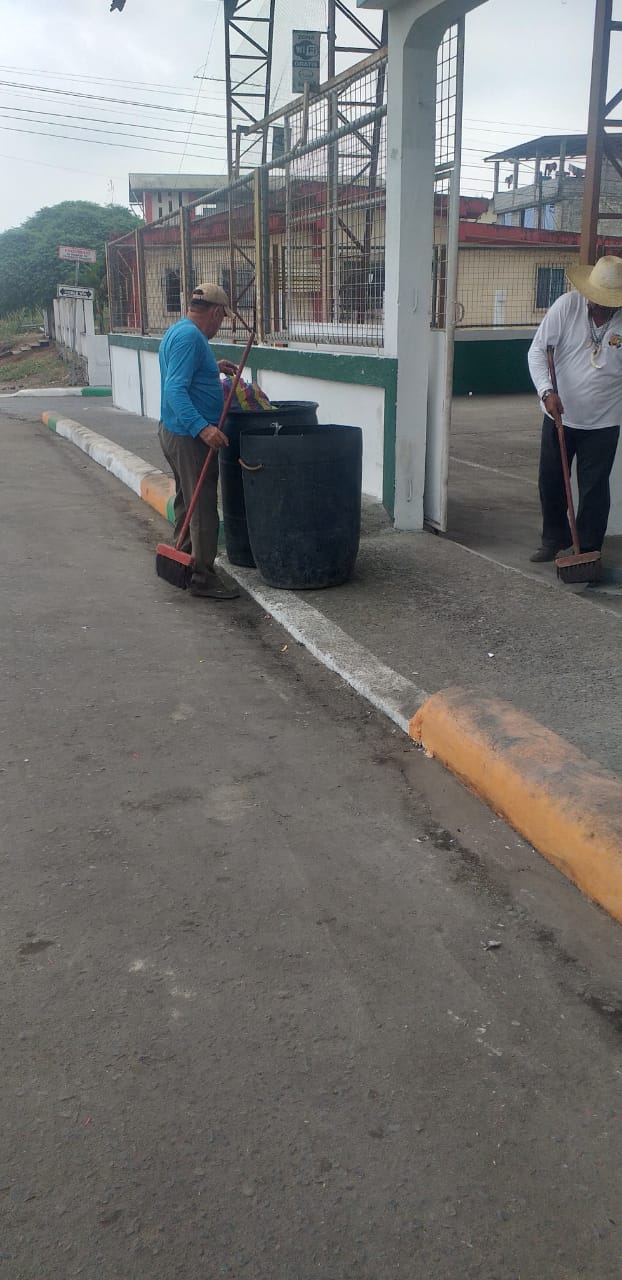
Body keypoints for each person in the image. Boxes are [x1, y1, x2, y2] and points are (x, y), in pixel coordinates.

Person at [527, 255, 622, 562]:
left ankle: (590, 549)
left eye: (608, 301)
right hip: (559, 414)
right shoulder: (567, 306)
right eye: (596, 298)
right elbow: (537, 351)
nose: (600, 305)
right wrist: (546, 392)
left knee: (595, 488)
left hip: (605, 420)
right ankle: (554, 538)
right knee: (552, 480)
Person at [158, 282, 240, 599]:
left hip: (175, 432)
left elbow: (182, 374)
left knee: (187, 500)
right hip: (188, 437)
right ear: (216, 312)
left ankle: (184, 561)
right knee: (203, 506)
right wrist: (203, 428)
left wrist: (211, 368)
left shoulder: (180, 331)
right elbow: (174, 389)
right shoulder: (191, 338)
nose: (221, 325)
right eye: (222, 318)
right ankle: (203, 577)